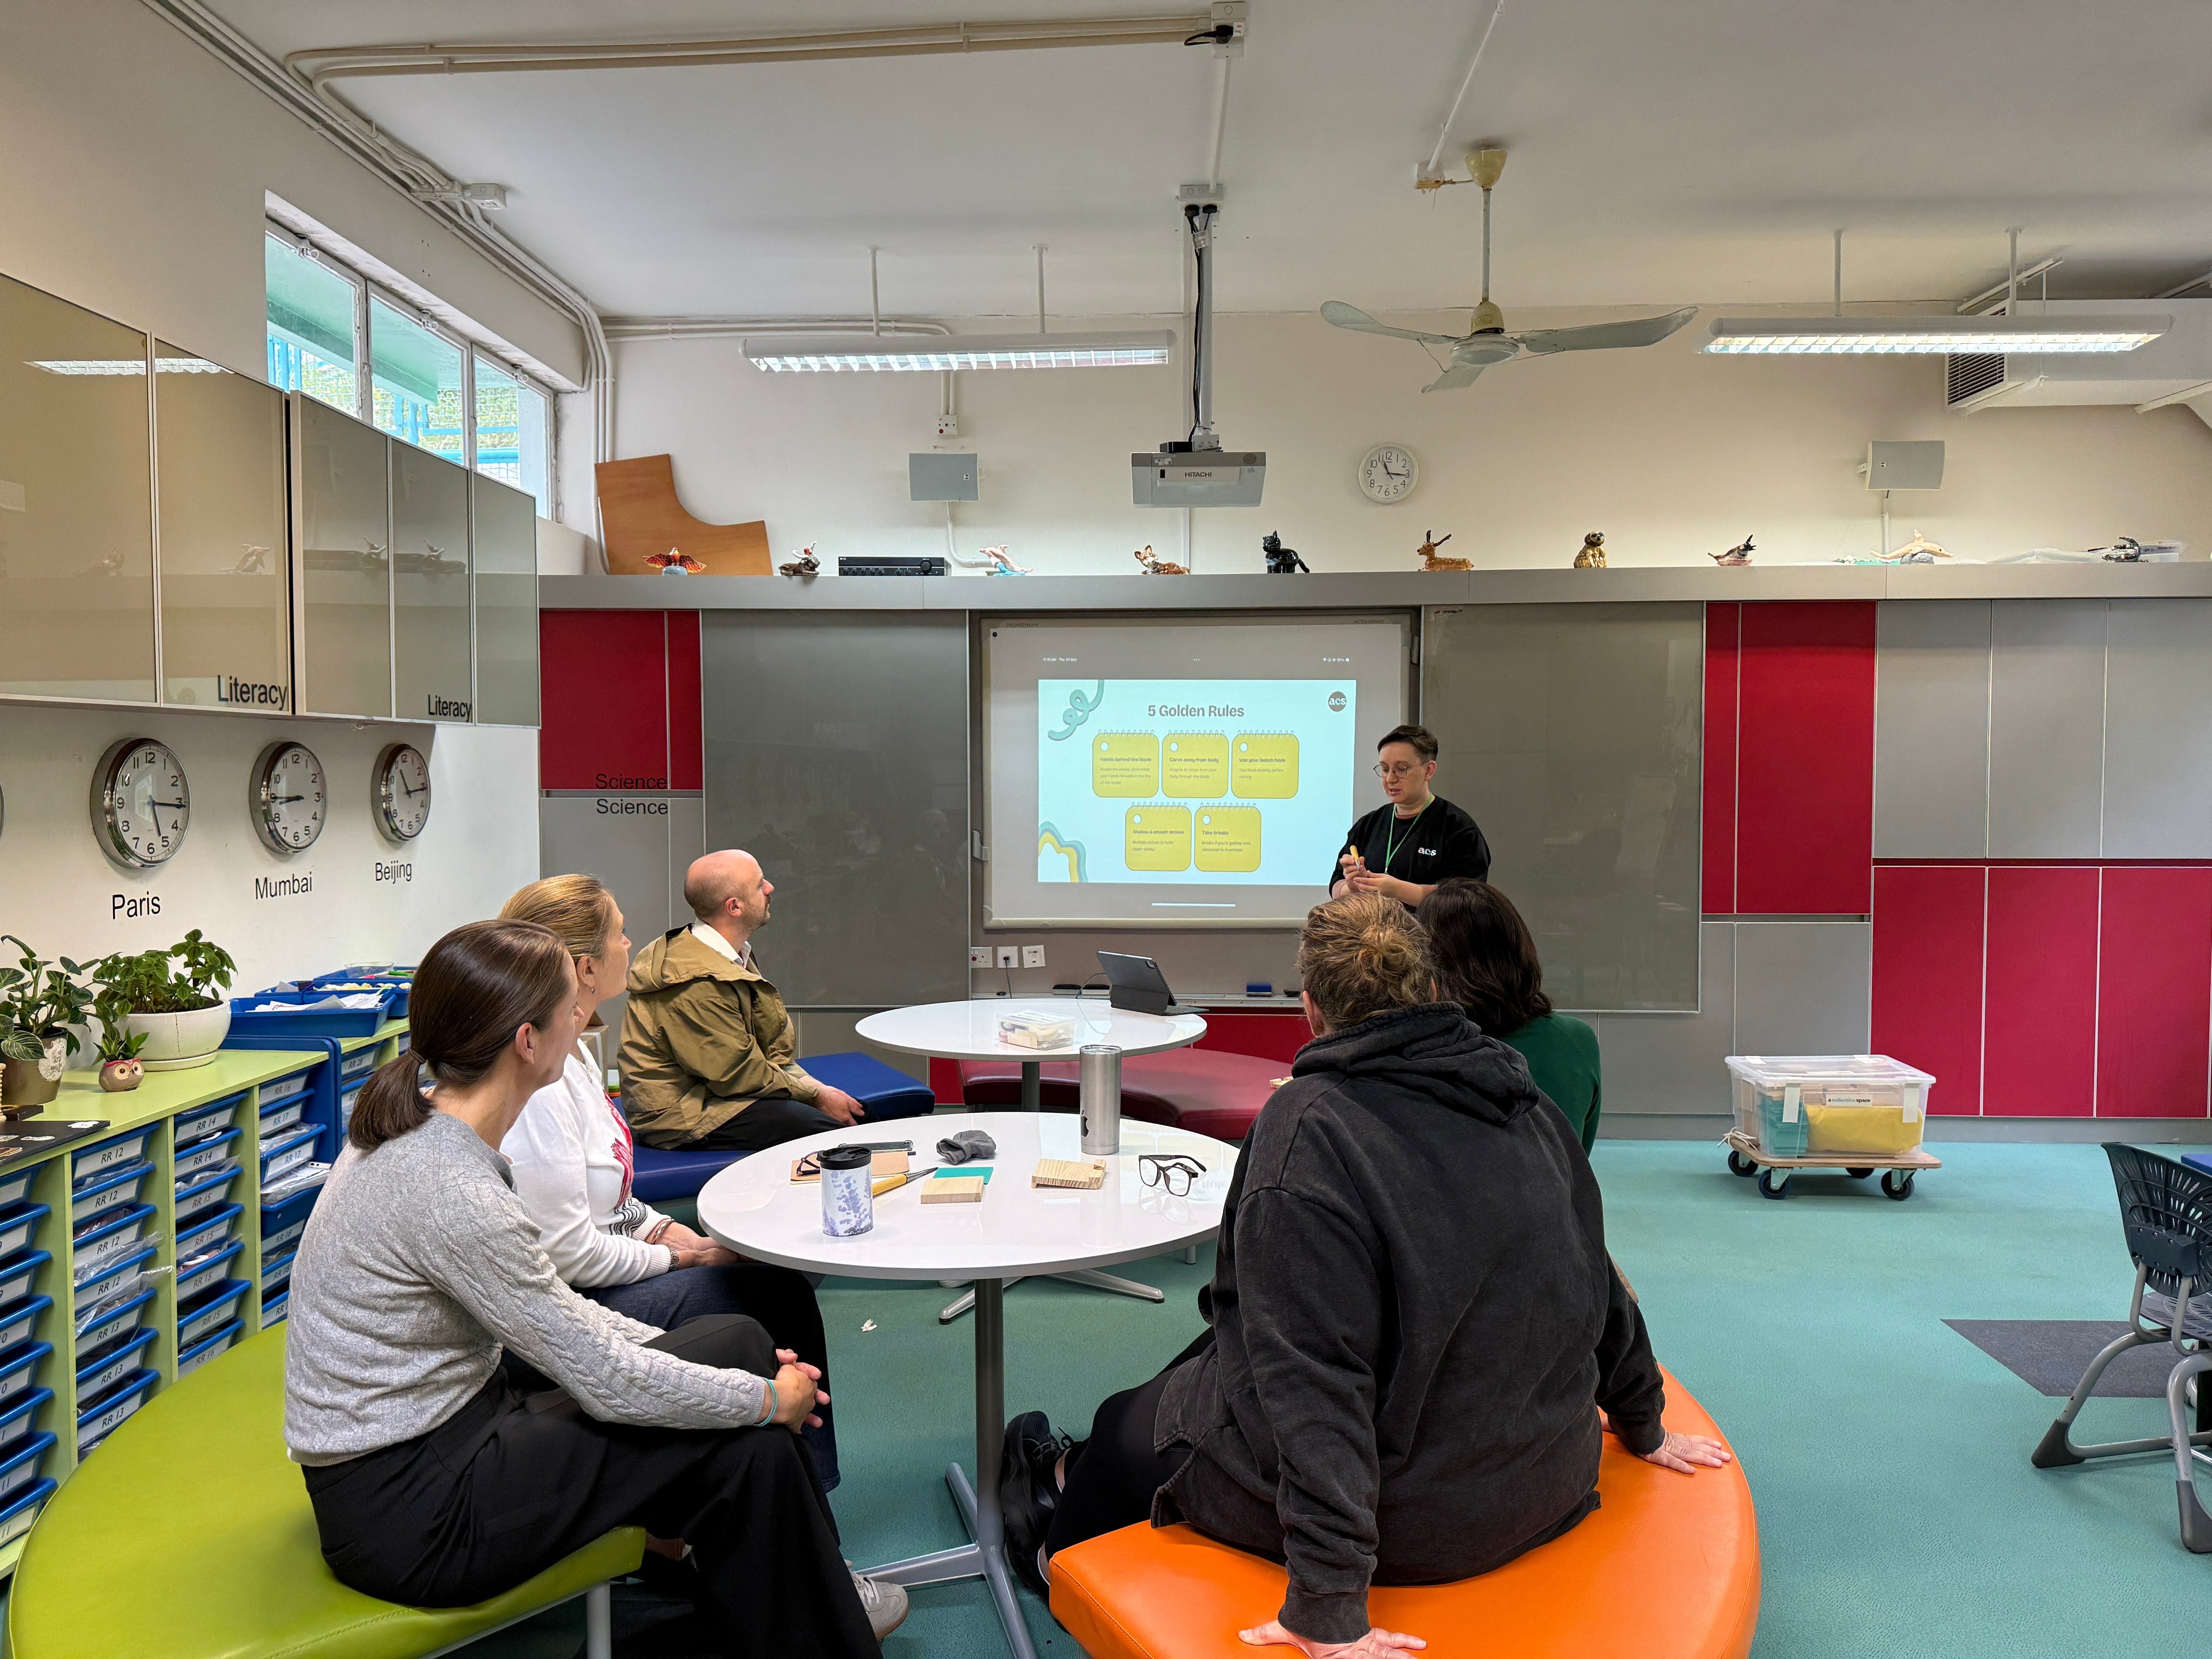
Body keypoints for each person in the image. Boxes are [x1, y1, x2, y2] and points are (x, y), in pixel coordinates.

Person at [997, 895, 1728, 1658]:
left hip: (1413, 1521)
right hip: (1549, 1478)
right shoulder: (1523, 1098)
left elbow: (1314, 1377)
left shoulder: (1309, 1129)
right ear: (1433, 991)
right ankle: (1066, 1485)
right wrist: (1641, 1418)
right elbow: (1593, 1273)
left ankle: (1052, 1551)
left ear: (1312, 1009)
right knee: (1216, 1346)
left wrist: (1328, 1600)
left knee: (1124, 1426)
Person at [283, 918, 903, 1649]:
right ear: (528, 1041)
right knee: (751, 1445)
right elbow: (602, 1376)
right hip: (413, 1513)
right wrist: (768, 1401)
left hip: (454, 1432)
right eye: (567, 1010)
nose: (580, 1016)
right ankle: (825, 1614)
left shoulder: (424, 1128)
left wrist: (746, 1383)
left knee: (738, 1337)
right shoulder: (449, 1185)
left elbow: (569, 1321)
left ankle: (787, 1592)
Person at [498, 874, 843, 1488]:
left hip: (602, 1271)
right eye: (621, 934)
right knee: (773, 1294)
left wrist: (671, 1231)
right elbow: (567, 1254)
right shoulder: (541, 1086)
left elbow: (614, 1200)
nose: (633, 943)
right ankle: (808, 1498)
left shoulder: (574, 1050)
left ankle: (775, 1493)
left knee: (758, 1276)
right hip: (568, 1308)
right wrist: (682, 1261)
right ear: (584, 967)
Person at [619, 849, 870, 1152]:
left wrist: (816, 1089)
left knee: (862, 1114)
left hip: (716, 1092)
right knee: (835, 1138)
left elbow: (765, 1052)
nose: (770, 888)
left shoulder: (727, 955)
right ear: (734, 907)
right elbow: (737, 1076)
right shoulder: (697, 981)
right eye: (760, 884)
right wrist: (815, 1096)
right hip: (681, 1115)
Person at [1421, 877, 1602, 1153]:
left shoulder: (1425, 1053)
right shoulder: (1577, 1040)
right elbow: (1579, 1158)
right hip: (1560, 1195)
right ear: (1520, 947)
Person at [1330, 724, 1490, 907]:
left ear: (1429, 770)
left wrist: (1401, 891)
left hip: (1430, 935)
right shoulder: (1368, 824)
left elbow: (1468, 899)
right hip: (1372, 934)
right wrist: (1353, 887)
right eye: (1384, 769)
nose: (1390, 779)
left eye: (1401, 769)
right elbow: (1336, 884)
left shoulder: (1458, 828)